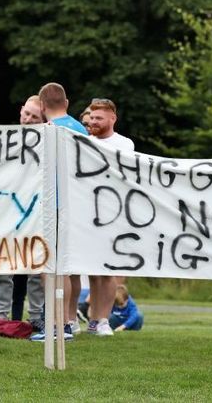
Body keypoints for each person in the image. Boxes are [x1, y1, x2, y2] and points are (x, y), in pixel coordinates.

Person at [30, 82, 88, 342]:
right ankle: (65, 323)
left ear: (42, 106)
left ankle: (58, 325)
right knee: (63, 266)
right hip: (74, 204)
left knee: (52, 268)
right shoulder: (80, 128)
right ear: (66, 103)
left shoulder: (47, 131)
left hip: (51, 205)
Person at [0, 95, 46, 331]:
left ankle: (36, 315)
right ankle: (1, 315)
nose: (29, 119)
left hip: (34, 210)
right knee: (3, 263)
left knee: (36, 266)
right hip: (6, 209)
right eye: (27, 114)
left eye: (35, 117)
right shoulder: (5, 138)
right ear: (21, 111)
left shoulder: (47, 141)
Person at [86, 98, 134, 337]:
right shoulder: (84, 141)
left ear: (112, 118)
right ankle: (93, 319)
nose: (94, 122)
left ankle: (103, 318)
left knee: (106, 270)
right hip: (87, 211)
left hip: (112, 212)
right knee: (91, 270)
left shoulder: (124, 144)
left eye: (99, 118)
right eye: (92, 117)